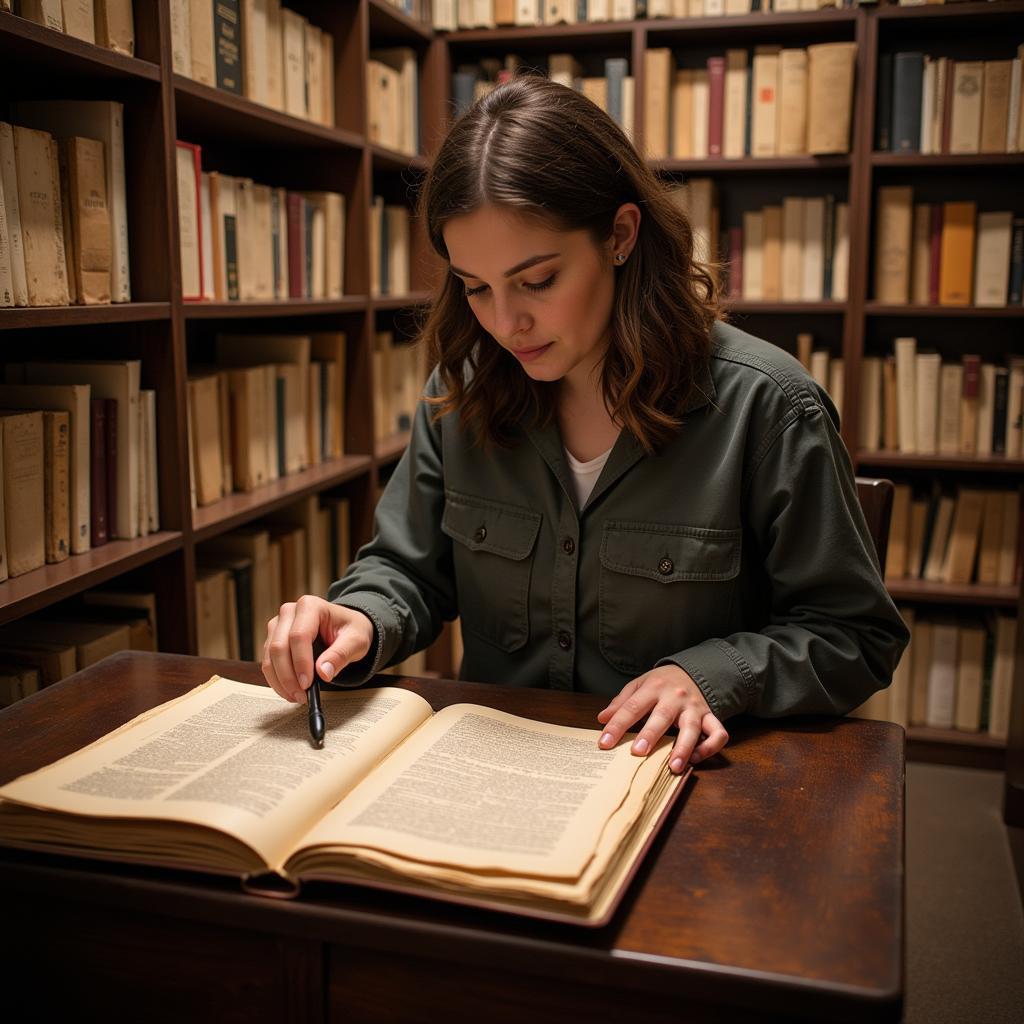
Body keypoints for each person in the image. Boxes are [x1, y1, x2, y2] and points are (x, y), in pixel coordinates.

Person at [261, 74, 909, 775]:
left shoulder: (768, 406)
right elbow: (406, 569)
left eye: (537, 280)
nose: (506, 323)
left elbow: (854, 634)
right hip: (491, 778)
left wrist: (713, 675)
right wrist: (359, 618)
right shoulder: (460, 393)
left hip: (679, 786)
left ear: (620, 235)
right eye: (475, 288)